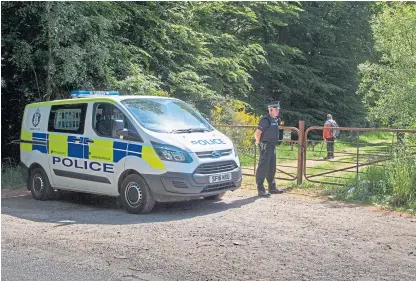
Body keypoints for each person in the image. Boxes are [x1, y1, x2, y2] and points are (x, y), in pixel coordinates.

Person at [254, 102, 284, 197]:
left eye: (278, 109)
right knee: (263, 167)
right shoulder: (265, 120)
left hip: (272, 146)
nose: (278, 111)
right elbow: (257, 133)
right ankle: (261, 189)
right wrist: (259, 143)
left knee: (272, 167)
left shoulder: (274, 120)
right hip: (266, 146)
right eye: (276, 109)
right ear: (270, 109)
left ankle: (272, 187)